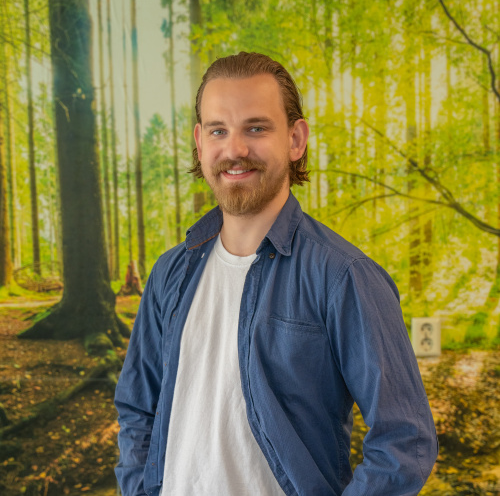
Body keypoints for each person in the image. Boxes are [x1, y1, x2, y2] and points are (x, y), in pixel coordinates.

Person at [115, 51, 438, 496]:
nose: (234, 149)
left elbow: (405, 441)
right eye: (218, 131)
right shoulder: (170, 272)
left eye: (256, 127)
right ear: (199, 141)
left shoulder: (344, 276)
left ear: (295, 138)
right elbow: (137, 409)